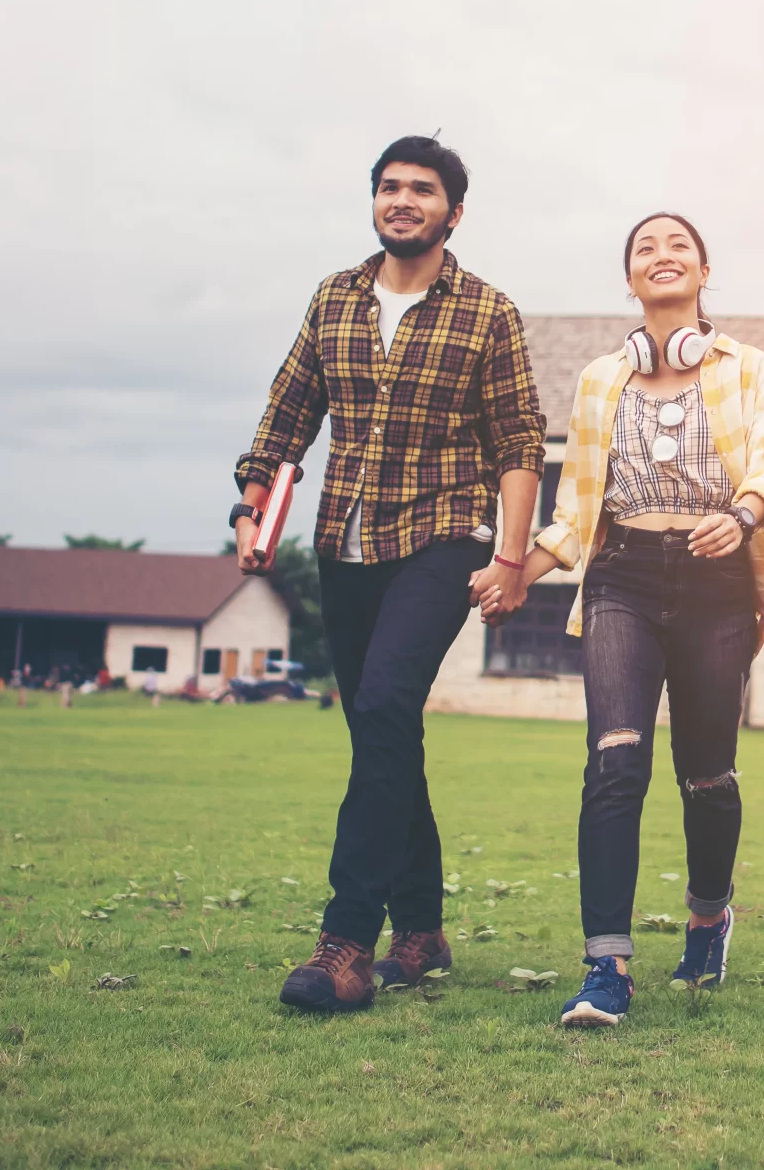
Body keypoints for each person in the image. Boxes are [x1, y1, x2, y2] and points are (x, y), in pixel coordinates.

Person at [233, 133, 546, 1014]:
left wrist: (510, 557)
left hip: (443, 534)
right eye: (388, 187)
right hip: (345, 537)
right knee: (381, 730)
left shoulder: (487, 311)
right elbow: (286, 413)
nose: (402, 199)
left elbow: (520, 439)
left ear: (453, 210)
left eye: (421, 188)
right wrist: (252, 508)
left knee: (381, 707)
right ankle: (423, 930)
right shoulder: (334, 297)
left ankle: (346, 942)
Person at [498, 213, 764, 1028]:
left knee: (706, 774)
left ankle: (709, 918)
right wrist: (512, 571)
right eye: (645, 248)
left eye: (678, 245)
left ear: (704, 271)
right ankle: (605, 966)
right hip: (623, 580)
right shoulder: (602, 381)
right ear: (631, 280)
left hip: (719, 579)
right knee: (613, 764)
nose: (662, 255)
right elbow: (575, 509)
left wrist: (742, 516)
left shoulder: (749, 369)